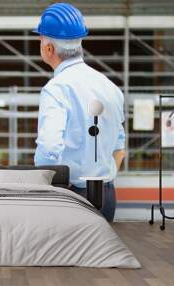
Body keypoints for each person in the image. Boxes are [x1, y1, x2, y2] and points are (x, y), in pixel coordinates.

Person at [33, 3, 126, 222]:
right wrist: (104, 177)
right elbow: (119, 147)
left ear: (49, 49)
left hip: (72, 197)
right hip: (107, 195)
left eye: (40, 40)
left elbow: (49, 147)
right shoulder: (109, 86)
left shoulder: (56, 89)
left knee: (63, 256)